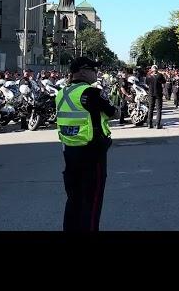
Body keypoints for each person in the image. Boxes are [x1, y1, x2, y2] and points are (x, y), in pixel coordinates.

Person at [57, 57, 116, 231]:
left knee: (74, 200)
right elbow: (112, 111)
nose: (96, 73)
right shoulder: (91, 92)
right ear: (82, 71)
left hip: (69, 151)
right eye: (93, 69)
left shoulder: (62, 92)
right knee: (92, 202)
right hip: (92, 152)